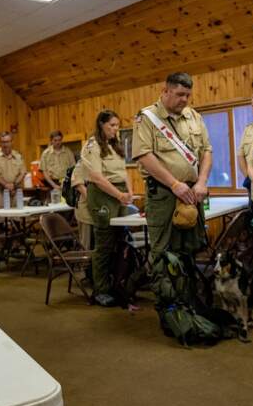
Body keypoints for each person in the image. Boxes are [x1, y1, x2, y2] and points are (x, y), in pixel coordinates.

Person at [132, 72, 212, 262]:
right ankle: (167, 292)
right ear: (165, 91)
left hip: (192, 193)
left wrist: (201, 182)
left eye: (187, 95)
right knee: (164, 252)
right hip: (164, 193)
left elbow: (207, 151)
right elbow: (144, 155)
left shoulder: (193, 116)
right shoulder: (147, 118)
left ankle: (188, 292)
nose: (184, 99)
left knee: (192, 248)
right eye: (179, 94)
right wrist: (175, 184)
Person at [81, 110, 134, 306]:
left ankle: (117, 284)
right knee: (104, 244)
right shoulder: (93, 146)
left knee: (120, 241)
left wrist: (129, 192)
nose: (115, 129)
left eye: (117, 125)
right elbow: (97, 177)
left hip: (119, 194)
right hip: (103, 195)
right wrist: (119, 195)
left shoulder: (115, 145)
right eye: (112, 125)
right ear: (101, 124)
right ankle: (100, 290)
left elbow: (124, 171)